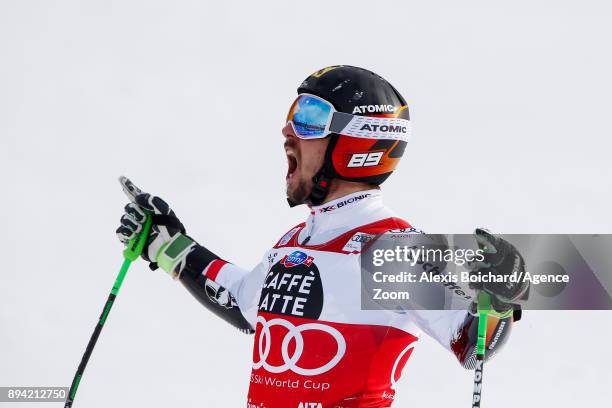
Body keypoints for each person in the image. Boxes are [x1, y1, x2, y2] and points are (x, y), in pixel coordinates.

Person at [116, 65, 529, 407]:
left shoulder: (390, 251)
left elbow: (475, 340)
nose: (287, 131)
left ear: (357, 141)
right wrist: (168, 245)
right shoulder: (292, 244)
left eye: (309, 118)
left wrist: (503, 292)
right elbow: (243, 301)